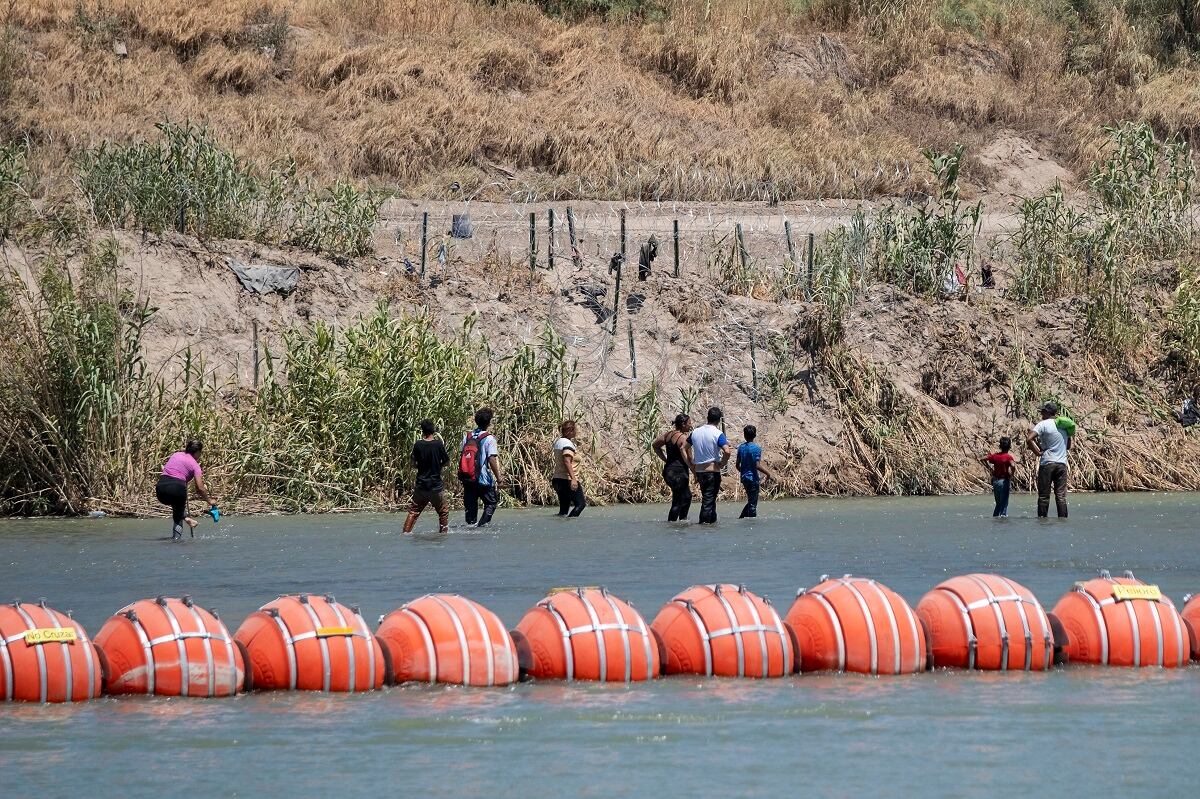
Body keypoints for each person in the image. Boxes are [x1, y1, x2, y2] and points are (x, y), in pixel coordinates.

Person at [155, 439, 217, 541]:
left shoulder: (176, 455)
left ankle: (186, 518)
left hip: (160, 489)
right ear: (197, 452)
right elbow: (200, 488)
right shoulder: (195, 465)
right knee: (178, 517)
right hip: (177, 489)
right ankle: (177, 539)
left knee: (177, 507)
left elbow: (169, 469)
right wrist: (209, 501)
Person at [404, 419, 450, 534]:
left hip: (421, 485)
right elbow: (446, 462)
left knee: (413, 512)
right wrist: (438, 467)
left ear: (423, 431)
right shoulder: (438, 444)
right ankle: (443, 535)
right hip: (435, 485)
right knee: (443, 512)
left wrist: (420, 466)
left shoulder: (418, 444)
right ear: (433, 430)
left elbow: (413, 463)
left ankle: (405, 533)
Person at [1026, 401, 1069, 518]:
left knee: (1044, 496)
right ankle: (1063, 521)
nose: (1041, 414)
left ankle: (1042, 521)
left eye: (1043, 412)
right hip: (1062, 464)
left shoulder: (1043, 424)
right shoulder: (1064, 425)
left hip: (1047, 463)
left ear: (1047, 412)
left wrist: (1038, 452)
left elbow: (1029, 439)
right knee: (1060, 496)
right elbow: (1069, 446)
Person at [459, 407, 501, 527]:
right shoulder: (489, 439)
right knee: (491, 503)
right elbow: (491, 459)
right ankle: (481, 527)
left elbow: (462, 456)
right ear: (489, 423)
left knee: (470, 511)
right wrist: (499, 478)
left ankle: (471, 531)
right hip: (483, 480)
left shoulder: (467, 437)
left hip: (468, 478)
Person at [690, 407, 732, 525]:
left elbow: (684, 447)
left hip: (699, 471)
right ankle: (703, 526)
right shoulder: (718, 434)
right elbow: (727, 451)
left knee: (710, 500)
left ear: (707, 417)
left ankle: (712, 523)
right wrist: (722, 464)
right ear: (719, 420)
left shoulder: (695, 432)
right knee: (708, 501)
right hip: (712, 472)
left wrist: (691, 463)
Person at [653, 413, 694, 522]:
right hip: (679, 473)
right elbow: (690, 458)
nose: (691, 425)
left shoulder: (668, 435)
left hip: (668, 472)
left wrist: (666, 459)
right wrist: (695, 471)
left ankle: (681, 521)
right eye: (689, 423)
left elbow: (655, 446)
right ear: (683, 424)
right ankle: (676, 523)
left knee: (686, 496)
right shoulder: (684, 438)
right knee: (679, 499)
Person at [736, 425, 773, 519]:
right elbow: (757, 465)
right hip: (753, 479)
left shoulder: (741, 448)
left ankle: (741, 518)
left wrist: (744, 472)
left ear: (744, 435)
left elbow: (737, 465)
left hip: (744, 478)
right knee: (753, 503)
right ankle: (752, 522)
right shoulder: (756, 448)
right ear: (755, 435)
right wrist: (768, 474)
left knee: (751, 500)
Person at [552, 420, 586, 518]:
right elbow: (567, 461)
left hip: (557, 480)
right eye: (575, 430)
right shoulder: (567, 444)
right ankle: (570, 525)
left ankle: (561, 529)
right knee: (580, 504)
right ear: (571, 430)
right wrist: (573, 479)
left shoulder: (559, 442)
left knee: (563, 511)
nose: (576, 432)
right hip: (567, 480)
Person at [980, 436, 1015, 518]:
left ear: (1000, 446)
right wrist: (1012, 473)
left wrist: (989, 468)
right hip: (1004, 482)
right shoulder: (1008, 457)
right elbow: (1013, 465)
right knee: (1004, 504)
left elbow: (982, 459)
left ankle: (995, 519)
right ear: (1009, 446)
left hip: (995, 481)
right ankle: (1003, 521)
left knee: (998, 504)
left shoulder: (995, 456)